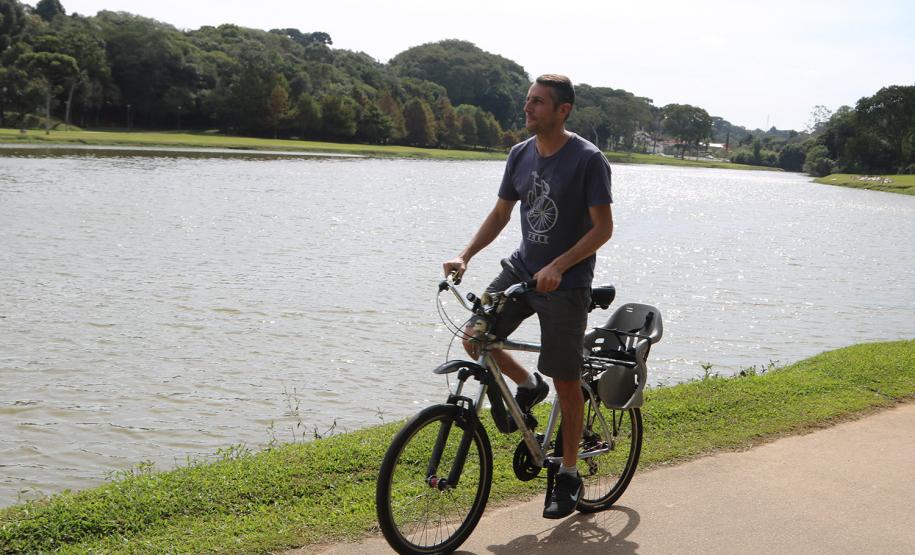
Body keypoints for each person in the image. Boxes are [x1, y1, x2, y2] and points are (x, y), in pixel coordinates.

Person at [442, 74, 613, 519]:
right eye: (527, 101)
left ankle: (570, 473)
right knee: (475, 336)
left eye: (538, 103)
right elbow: (501, 212)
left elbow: (603, 229)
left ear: (563, 110)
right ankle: (526, 384)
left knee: (567, 381)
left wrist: (559, 265)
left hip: (566, 284)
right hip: (520, 271)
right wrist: (465, 255)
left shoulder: (588, 160)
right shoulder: (519, 154)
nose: (528, 109)